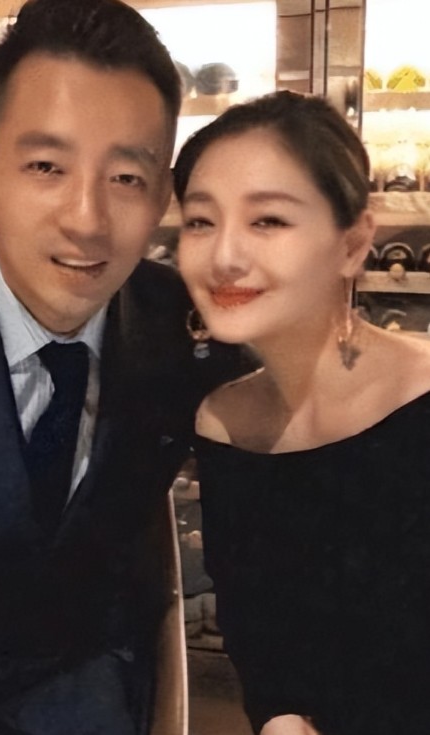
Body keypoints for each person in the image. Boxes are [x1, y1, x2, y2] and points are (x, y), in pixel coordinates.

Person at [0, 1, 249, 733]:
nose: (87, 220)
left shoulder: (183, 326)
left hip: (90, 698)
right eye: (47, 167)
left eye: (125, 177)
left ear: (162, 196)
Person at [174, 90, 430, 735]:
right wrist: (281, 718)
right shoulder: (225, 423)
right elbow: (261, 645)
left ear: (354, 243)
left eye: (267, 220)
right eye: (200, 221)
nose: (224, 255)